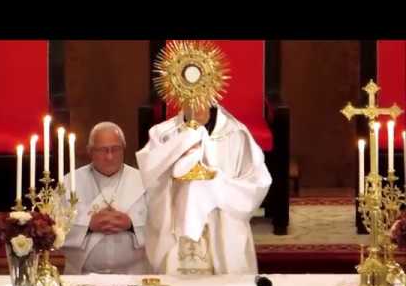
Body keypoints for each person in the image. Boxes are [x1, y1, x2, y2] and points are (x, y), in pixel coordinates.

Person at [136, 104, 272, 275]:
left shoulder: (235, 133)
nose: (195, 99)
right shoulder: (163, 134)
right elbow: (150, 179)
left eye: (202, 90)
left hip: (221, 225)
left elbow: (257, 183)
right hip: (177, 223)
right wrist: (177, 157)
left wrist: (218, 184)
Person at [62, 122, 150, 274]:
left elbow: (160, 225)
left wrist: (131, 224)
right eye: (102, 150)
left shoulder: (144, 181)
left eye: (115, 149)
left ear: (123, 149)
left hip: (134, 274)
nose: (109, 156)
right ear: (90, 151)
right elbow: (56, 228)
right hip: (84, 275)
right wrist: (88, 225)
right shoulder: (70, 182)